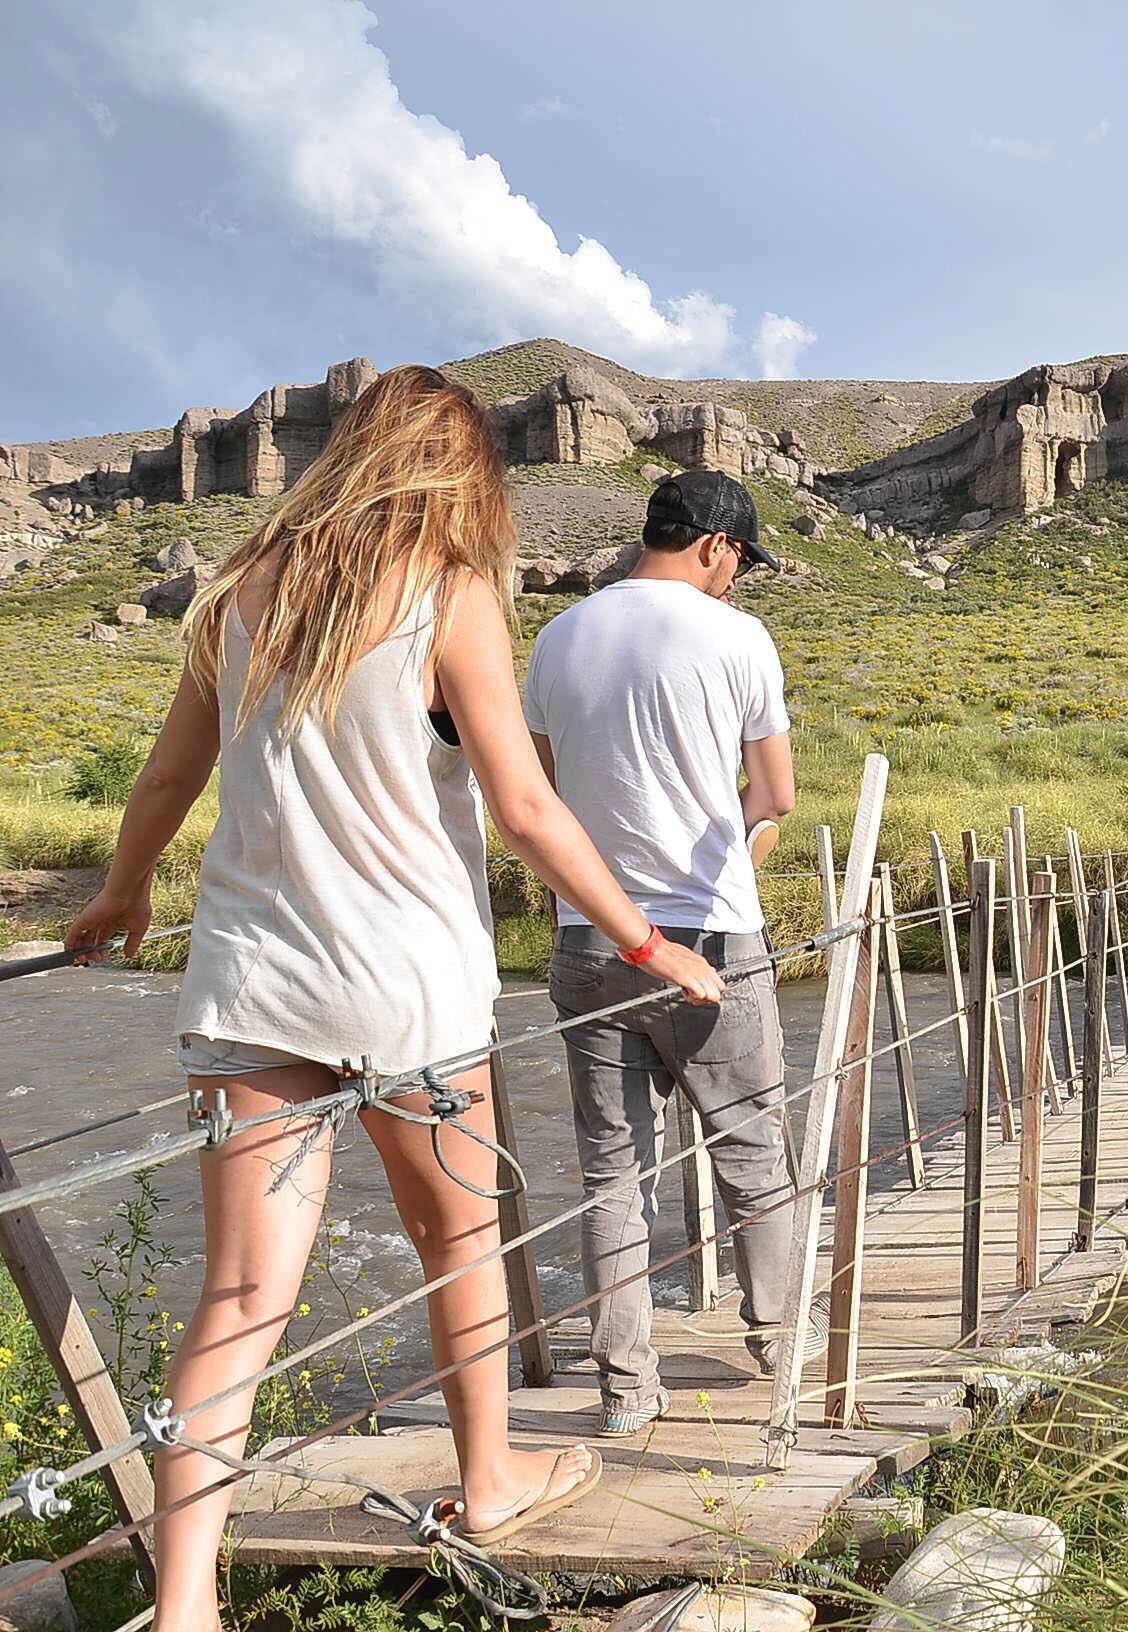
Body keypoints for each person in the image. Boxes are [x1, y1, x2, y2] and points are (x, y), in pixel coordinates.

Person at [65, 366, 726, 1631]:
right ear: (457, 473)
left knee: (243, 1298)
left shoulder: (238, 594)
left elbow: (162, 782)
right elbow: (526, 807)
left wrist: (122, 897)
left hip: (254, 989)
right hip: (409, 995)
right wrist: (649, 943)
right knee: (459, 1244)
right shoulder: (450, 592)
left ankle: (186, 1601)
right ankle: (489, 1483)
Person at [523, 470, 805, 1436]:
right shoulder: (736, 638)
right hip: (709, 933)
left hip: (585, 939)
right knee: (753, 1144)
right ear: (717, 546)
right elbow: (775, 796)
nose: (737, 584)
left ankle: (625, 1389)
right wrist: (736, 865)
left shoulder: (556, 638)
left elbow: (542, 803)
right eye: (739, 566)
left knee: (612, 1174)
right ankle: (778, 1340)